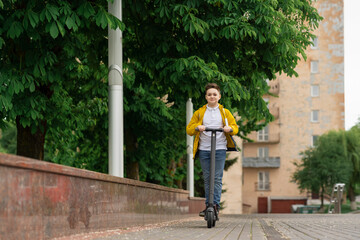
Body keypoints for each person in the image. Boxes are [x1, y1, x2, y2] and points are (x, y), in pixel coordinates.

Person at [186, 83, 239, 217]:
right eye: (209, 94)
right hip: (204, 149)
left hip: (220, 148)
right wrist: (198, 127)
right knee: (207, 178)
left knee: (216, 178)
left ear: (219, 96)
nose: (212, 96)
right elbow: (189, 129)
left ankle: (215, 205)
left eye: (214, 94)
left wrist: (229, 129)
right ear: (206, 97)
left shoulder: (225, 112)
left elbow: (235, 127)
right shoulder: (199, 112)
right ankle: (208, 205)